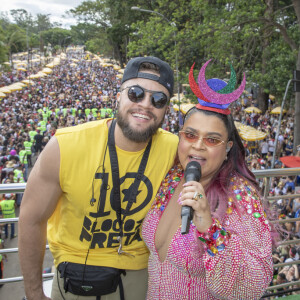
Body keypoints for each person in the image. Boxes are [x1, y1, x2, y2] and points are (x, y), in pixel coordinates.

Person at [18, 56, 178, 300]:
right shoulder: (65, 145)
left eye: (158, 99)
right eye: (135, 93)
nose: (145, 104)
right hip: (75, 277)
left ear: (166, 108)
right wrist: (34, 294)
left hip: (140, 277)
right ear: (118, 96)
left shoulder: (176, 150)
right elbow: (31, 219)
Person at [142, 60, 277, 299]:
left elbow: (253, 285)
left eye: (212, 140)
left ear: (228, 148)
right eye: (190, 135)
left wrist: (208, 226)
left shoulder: (240, 195)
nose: (198, 146)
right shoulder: (172, 177)